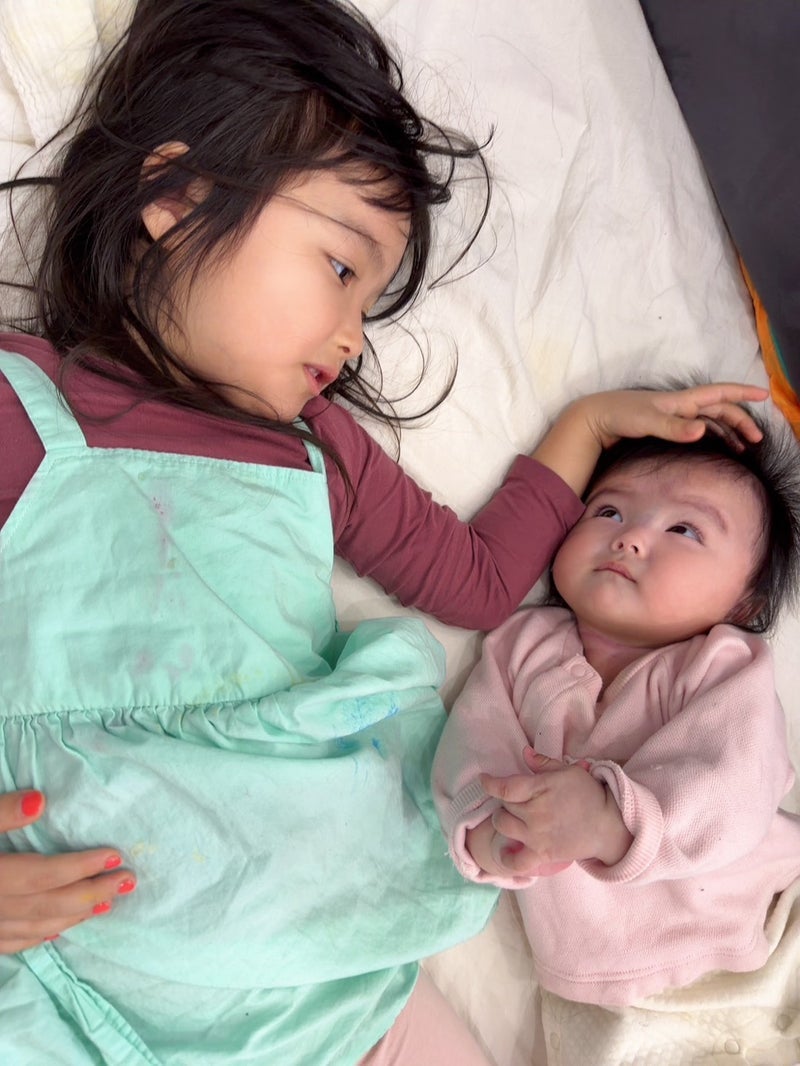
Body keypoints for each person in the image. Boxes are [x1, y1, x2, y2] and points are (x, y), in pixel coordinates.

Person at [0, 0, 768, 1062]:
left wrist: (586, 431)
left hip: (322, 978)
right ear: (173, 199)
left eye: (367, 298)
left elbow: (477, 583)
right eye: (339, 266)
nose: (354, 336)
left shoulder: (316, 447)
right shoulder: (22, 408)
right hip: (74, 981)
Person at [433, 413, 800, 1012]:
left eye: (684, 529)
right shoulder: (522, 646)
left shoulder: (723, 667)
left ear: (745, 601)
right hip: (596, 981)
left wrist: (613, 820)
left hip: (759, 928)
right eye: (607, 512)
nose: (629, 538)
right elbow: (473, 744)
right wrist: (489, 832)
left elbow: (735, 784)